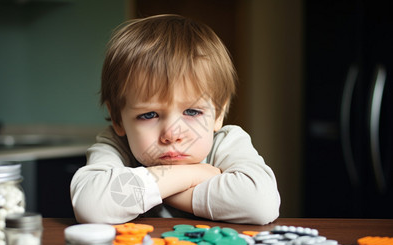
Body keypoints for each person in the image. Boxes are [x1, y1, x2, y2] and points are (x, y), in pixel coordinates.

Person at [70, 14, 280, 225]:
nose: (171, 134)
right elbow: (91, 206)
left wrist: (161, 189)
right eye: (149, 115)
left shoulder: (228, 142)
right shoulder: (115, 144)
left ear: (218, 114)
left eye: (192, 112)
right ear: (118, 119)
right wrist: (192, 175)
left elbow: (261, 204)